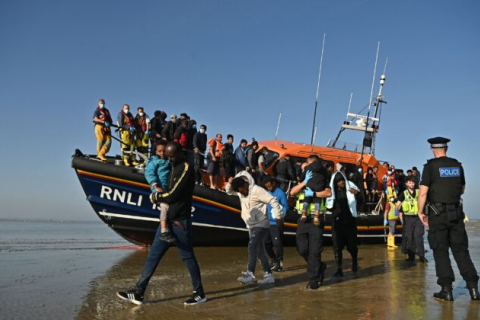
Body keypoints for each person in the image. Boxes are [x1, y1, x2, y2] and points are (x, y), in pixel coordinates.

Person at [116, 142, 207, 306]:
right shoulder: (170, 167)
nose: (169, 159)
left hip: (180, 221)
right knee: (153, 256)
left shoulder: (186, 169)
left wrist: (156, 197)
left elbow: (173, 194)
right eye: (167, 155)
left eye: (172, 155)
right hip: (167, 222)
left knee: (187, 257)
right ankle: (138, 291)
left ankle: (199, 293)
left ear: (180, 153)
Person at [417, 137, 479, 301]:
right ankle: (473, 288)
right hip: (456, 213)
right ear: (447, 148)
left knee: (440, 251)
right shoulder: (458, 165)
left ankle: (446, 290)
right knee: (461, 250)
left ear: (432, 149)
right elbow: (462, 189)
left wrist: (420, 211)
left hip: (437, 214)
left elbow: (423, 192)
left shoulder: (430, 167)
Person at [226, 171, 283, 285]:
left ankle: (250, 274)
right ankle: (268, 274)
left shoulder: (257, 190)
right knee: (258, 251)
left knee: (252, 246)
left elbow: (273, 200)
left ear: (246, 185)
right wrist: (231, 182)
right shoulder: (240, 190)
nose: (241, 193)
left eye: (241, 190)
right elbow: (228, 191)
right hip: (251, 224)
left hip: (261, 223)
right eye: (239, 192)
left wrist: (278, 216)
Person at [290, 170, 332, 289]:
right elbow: (292, 192)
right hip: (303, 220)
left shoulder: (321, 184)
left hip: (315, 219)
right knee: (302, 249)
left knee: (315, 250)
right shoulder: (302, 185)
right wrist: (304, 182)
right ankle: (319, 266)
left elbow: (328, 193)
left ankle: (314, 279)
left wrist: (314, 194)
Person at [326, 169, 360, 277]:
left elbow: (361, 200)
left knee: (352, 246)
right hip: (337, 223)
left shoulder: (351, 190)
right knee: (337, 247)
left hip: (350, 222)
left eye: (342, 180)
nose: (342, 182)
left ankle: (354, 262)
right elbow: (328, 207)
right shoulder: (331, 193)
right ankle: (339, 268)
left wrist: (357, 195)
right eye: (339, 181)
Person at [144, 141, 175, 243]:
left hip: (167, 190)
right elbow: (149, 173)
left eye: (164, 151)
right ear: (156, 152)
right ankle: (163, 231)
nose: (162, 153)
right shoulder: (153, 162)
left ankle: (173, 226)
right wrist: (155, 185)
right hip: (158, 190)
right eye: (159, 151)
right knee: (164, 206)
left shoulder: (169, 162)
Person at [396, 176, 427, 263]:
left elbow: (424, 199)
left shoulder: (418, 192)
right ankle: (411, 257)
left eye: (413, 182)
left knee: (418, 236)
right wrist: (399, 207)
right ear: (406, 184)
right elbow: (397, 205)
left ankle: (421, 256)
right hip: (408, 218)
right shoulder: (404, 193)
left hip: (418, 217)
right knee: (409, 238)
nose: (412, 184)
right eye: (409, 182)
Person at [263, 177, 288, 272]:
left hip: (277, 222)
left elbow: (286, 207)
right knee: (266, 242)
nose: (268, 188)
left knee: (277, 243)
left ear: (274, 183)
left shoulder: (280, 193)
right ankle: (273, 259)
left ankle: (279, 263)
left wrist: (280, 214)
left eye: (270, 185)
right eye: (267, 186)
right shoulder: (267, 193)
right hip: (268, 222)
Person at [300, 155, 327, 225]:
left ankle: (303, 214)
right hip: (319, 188)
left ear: (311, 161)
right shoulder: (324, 169)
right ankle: (316, 217)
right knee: (317, 202)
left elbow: (301, 177)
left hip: (309, 186)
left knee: (306, 200)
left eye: (308, 161)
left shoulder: (308, 167)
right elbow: (326, 178)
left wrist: (304, 179)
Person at [92, 98, 112, 163]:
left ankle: (101, 153)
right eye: (101, 103)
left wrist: (109, 123)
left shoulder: (106, 111)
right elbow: (95, 119)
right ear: (98, 104)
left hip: (106, 127)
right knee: (100, 140)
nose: (102, 104)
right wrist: (103, 122)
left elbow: (110, 119)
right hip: (99, 126)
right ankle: (100, 155)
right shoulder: (97, 111)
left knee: (108, 141)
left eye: (103, 103)